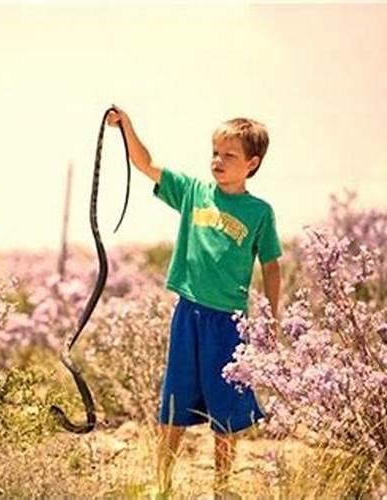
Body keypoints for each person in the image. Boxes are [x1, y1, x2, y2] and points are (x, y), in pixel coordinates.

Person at [106, 105, 282, 498]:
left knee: (226, 410)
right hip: (188, 315)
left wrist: (272, 316)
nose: (218, 161)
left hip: (229, 323)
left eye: (229, 155)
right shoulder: (193, 192)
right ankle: (162, 485)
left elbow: (272, 265)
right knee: (174, 401)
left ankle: (222, 487)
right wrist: (128, 126)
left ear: (252, 164)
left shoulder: (260, 213)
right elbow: (146, 163)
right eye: (215, 153)